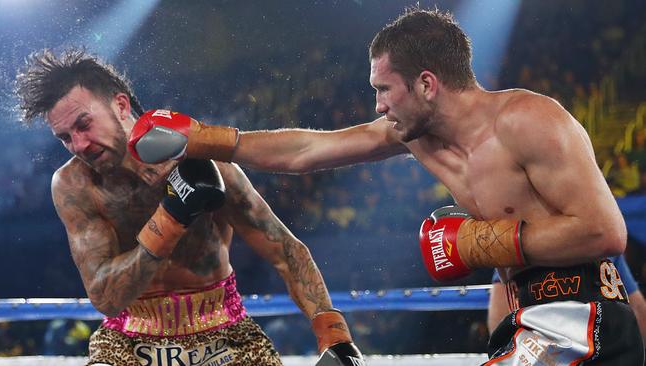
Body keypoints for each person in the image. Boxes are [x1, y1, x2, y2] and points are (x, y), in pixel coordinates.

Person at [127, 7, 644, 364]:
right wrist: (202, 140)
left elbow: (605, 233)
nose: (377, 105)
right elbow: (310, 150)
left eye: (383, 89)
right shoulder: (416, 135)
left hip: (583, 316)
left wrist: (478, 241)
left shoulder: (528, 120)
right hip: (530, 317)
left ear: (426, 83)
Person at [15, 48, 364, 366]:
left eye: (83, 124)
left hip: (223, 332)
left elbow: (285, 251)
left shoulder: (196, 154)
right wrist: (170, 218)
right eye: (65, 137)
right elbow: (105, 296)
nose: (78, 144)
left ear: (120, 105)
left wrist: (333, 334)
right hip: (128, 340)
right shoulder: (75, 185)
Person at [488, 254, 646, 346]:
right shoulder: (523, 249)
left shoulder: (602, 244)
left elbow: (639, 313)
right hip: (542, 351)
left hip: (598, 348)